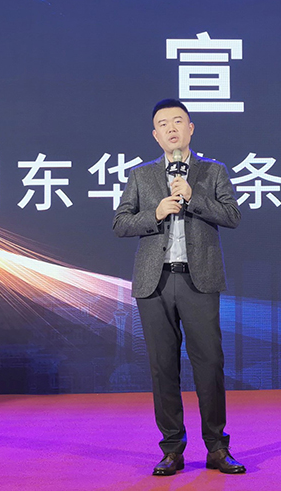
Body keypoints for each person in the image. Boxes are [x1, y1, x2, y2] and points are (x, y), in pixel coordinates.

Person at [113, 99, 244, 476]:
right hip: (155, 283)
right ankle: (172, 448)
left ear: (190, 128)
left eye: (177, 121)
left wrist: (194, 197)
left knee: (210, 364)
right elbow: (120, 223)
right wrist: (155, 213)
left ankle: (217, 447)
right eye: (163, 124)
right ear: (155, 135)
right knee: (163, 367)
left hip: (198, 280)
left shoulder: (213, 171)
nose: (171, 128)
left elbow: (232, 215)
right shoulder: (140, 176)